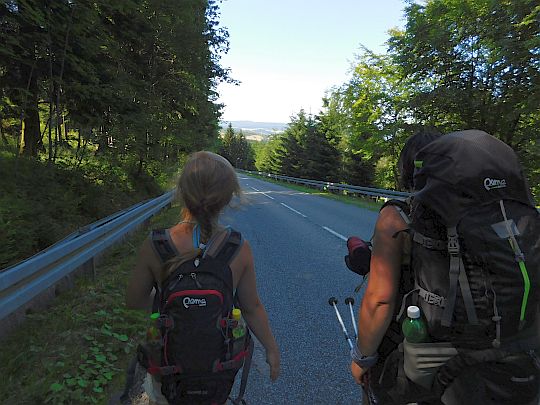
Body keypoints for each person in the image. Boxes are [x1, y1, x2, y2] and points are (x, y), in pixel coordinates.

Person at [350, 129, 540, 405]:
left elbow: (379, 300)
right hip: (512, 351)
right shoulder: (499, 218)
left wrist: (361, 359)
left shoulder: (396, 216)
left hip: (432, 353)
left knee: (377, 388)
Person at [126, 151, 280, 404]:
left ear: (181, 192)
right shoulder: (238, 248)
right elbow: (252, 308)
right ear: (229, 196)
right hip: (217, 370)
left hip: (168, 368)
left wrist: (167, 298)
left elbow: (133, 300)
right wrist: (271, 349)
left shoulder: (156, 245)